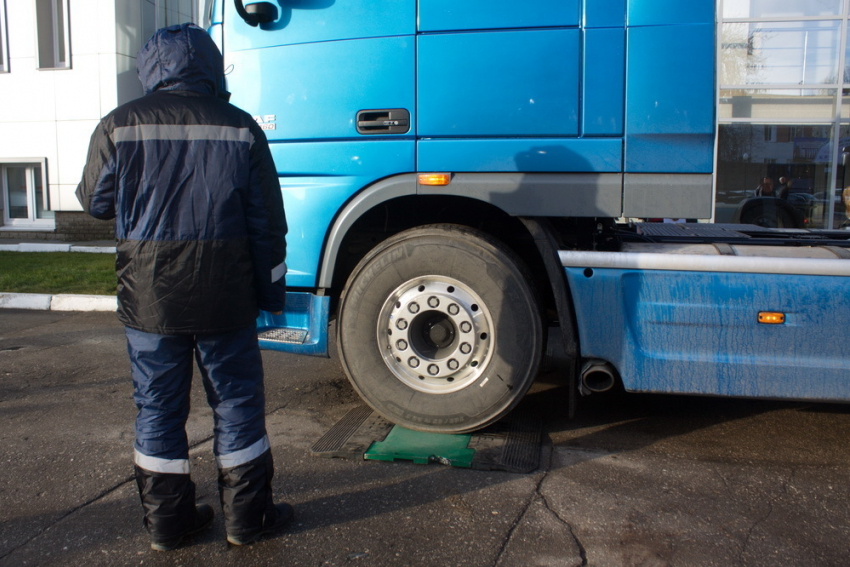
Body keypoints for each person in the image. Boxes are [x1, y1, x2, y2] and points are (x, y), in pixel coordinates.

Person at [75, 24, 290, 551]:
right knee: (237, 402)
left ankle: (168, 525)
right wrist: (272, 297)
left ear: (152, 68)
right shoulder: (241, 128)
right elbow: (267, 224)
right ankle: (246, 520)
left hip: (150, 295)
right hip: (227, 293)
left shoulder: (118, 124)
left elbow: (95, 203)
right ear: (212, 68)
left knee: (157, 407)